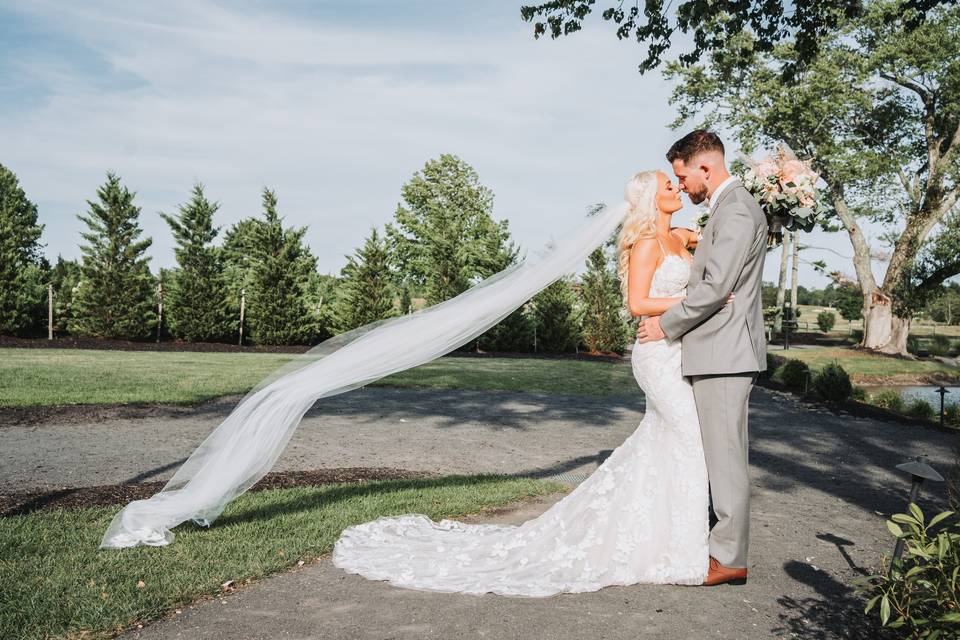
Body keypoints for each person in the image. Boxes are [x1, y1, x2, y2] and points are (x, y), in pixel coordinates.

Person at [331, 165, 732, 596]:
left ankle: (667, 537)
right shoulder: (648, 242)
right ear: (651, 198)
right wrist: (692, 300)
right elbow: (637, 302)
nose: (676, 187)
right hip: (656, 355)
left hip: (677, 352)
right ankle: (682, 548)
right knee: (689, 438)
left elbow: (720, 238)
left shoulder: (681, 237)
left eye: (674, 183)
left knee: (668, 442)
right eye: (667, 185)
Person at [637, 130, 768, 586]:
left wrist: (664, 324)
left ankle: (730, 558)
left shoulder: (734, 210)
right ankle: (715, 546)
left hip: (725, 353)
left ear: (704, 169)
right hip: (718, 349)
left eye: (683, 176)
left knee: (726, 457)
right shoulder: (728, 210)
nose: (684, 186)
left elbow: (715, 289)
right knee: (715, 453)